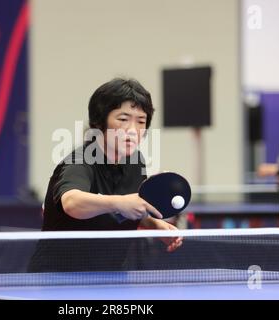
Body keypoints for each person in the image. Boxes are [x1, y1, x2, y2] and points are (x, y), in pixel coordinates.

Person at [29, 78, 181, 272]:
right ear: (100, 122)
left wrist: (154, 224)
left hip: (111, 276)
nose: (133, 130)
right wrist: (119, 202)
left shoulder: (136, 162)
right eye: (123, 119)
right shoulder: (80, 161)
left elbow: (123, 211)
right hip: (58, 280)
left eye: (141, 121)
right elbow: (71, 203)